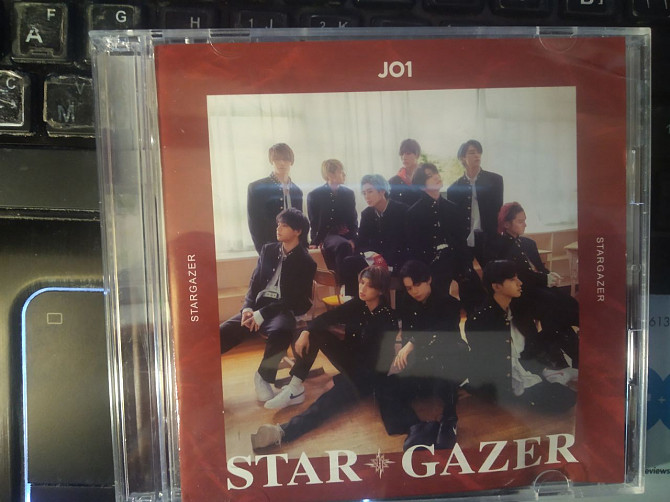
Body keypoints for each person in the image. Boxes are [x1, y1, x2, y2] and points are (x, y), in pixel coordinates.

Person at [251, 266, 397, 450]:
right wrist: (306, 332)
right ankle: (295, 386)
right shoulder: (359, 304)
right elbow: (327, 317)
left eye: (369, 286)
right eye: (362, 282)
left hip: (367, 376)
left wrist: (341, 379)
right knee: (315, 333)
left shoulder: (387, 319)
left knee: (327, 402)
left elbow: (377, 365)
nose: (362, 289)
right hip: (351, 360)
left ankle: (282, 432)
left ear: (381, 290)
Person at [220, 208, 316, 403]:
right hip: (259, 306)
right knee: (222, 332)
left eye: (284, 225)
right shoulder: (268, 250)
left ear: (298, 231)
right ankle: (203, 375)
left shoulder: (306, 262)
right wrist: (248, 308)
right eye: (278, 224)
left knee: (282, 331)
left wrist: (262, 314)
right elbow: (254, 282)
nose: (278, 228)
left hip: (284, 309)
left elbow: (293, 299)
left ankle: (263, 377)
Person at [377, 260, 468, 450]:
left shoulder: (450, 303)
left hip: (446, 365)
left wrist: (411, 344)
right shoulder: (406, 302)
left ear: (429, 280)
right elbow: (407, 335)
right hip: (422, 364)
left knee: (452, 354)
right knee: (384, 385)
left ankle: (449, 419)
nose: (414, 291)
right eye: (409, 288)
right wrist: (404, 358)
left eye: (417, 285)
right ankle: (417, 427)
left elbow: (442, 333)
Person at [465, 260, 576, 412]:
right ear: (496, 287)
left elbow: (529, 348)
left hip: (524, 369)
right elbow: (487, 365)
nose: (520, 283)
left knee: (569, 394)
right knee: (564, 399)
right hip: (504, 383)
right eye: (512, 280)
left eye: (517, 278)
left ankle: (556, 375)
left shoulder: (517, 309)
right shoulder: (479, 321)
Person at [494, 202, 579, 367]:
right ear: (506, 224)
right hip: (521, 294)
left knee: (568, 303)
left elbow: (540, 268)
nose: (525, 224)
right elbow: (516, 275)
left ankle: (564, 354)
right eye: (520, 221)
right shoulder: (500, 247)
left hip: (539, 290)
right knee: (555, 310)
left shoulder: (528, 243)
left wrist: (550, 276)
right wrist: (544, 279)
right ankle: (563, 353)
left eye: (525, 220)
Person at [406, 163, 485, 314]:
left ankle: (475, 322)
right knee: (438, 299)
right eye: (430, 176)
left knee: (475, 290)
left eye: (436, 173)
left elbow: (461, 241)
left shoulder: (452, 208)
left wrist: (466, 265)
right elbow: (415, 248)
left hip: (456, 260)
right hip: (431, 265)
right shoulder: (413, 213)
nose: (436, 177)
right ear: (421, 186)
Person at [340, 174, 409, 296]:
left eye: (370, 191)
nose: (367, 196)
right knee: (348, 261)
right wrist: (371, 255)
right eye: (364, 193)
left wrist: (383, 260)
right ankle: (354, 300)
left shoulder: (402, 210)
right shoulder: (366, 214)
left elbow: (406, 242)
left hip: (397, 259)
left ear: (382, 191)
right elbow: (362, 242)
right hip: (374, 260)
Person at [446, 140, 504, 267]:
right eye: (472, 153)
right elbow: (453, 220)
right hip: (464, 240)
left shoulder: (495, 180)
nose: (477, 155)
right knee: (466, 275)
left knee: (493, 272)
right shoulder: (454, 188)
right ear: (463, 158)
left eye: (479, 152)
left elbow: (499, 209)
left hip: (489, 238)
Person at [247, 143, 303, 254]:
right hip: (269, 248)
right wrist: (262, 251)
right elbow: (254, 223)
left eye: (285, 159)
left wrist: (302, 246)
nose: (282, 163)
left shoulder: (297, 191)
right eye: (277, 159)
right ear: (271, 161)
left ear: (291, 161)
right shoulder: (256, 188)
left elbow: (300, 223)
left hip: (294, 249)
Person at [306, 159, 357, 277]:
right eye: (341, 172)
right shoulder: (314, 195)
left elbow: (353, 220)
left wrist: (353, 239)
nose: (344, 174)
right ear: (330, 175)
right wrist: (315, 242)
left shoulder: (349, 193)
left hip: (346, 235)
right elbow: (314, 223)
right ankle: (342, 284)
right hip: (327, 236)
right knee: (343, 245)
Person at [388, 138, 422, 208]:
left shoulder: (426, 177)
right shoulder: (393, 181)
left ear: (417, 155)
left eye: (408, 153)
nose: (404, 157)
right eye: (402, 154)